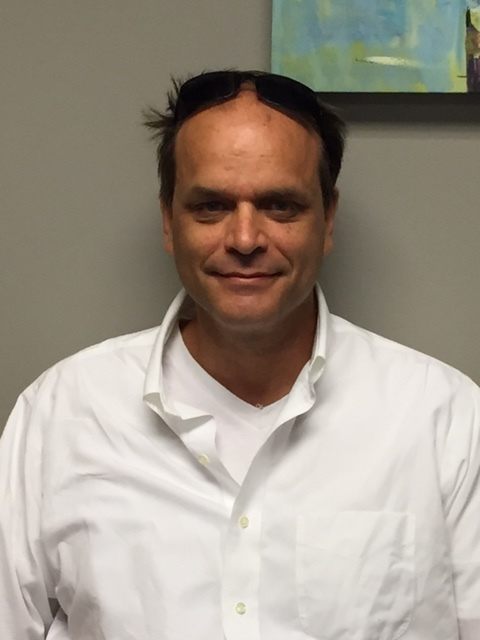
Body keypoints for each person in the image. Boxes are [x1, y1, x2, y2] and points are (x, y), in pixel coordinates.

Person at [0, 69, 479, 640]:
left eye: (280, 206)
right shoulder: (61, 416)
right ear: (168, 221)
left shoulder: (444, 420)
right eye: (211, 206)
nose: (245, 239)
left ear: (328, 220)